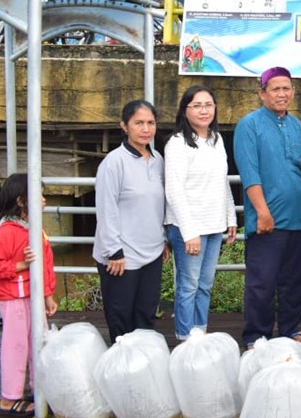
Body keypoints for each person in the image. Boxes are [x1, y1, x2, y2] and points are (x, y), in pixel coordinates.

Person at [234, 67, 301, 348]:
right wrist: (262, 212)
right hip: (266, 219)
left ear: (293, 92)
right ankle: (257, 336)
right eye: (275, 89)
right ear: (262, 93)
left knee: (294, 280)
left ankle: (290, 329)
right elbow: (250, 173)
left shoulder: (295, 125)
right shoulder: (249, 125)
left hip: (297, 218)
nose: (282, 94)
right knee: (262, 283)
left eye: (286, 88)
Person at [164, 85, 237, 340]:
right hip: (189, 228)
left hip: (214, 225)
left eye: (208, 105)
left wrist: (230, 217)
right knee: (188, 286)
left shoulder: (216, 139)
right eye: (196, 106)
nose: (204, 110)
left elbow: (222, 181)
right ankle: (185, 338)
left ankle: (201, 333)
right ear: (185, 111)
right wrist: (189, 233)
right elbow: (174, 191)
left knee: (205, 285)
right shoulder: (177, 143)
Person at [0, 173, 57, 418]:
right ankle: (9, 399)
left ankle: (39, 390)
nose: (44, 200)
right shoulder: (7, 232)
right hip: (14, 299)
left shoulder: (34, 230)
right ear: (22, 201)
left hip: (32, 298)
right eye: (38, 195)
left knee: (39, 343)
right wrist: (20, 265)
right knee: (16, 348)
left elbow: (45, 265)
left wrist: (47, 295)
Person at [93, 99, 168, 344]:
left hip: (152, 252)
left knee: (146, 315)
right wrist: (113, 251)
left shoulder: (157, 160)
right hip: (122, 256)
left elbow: (158, 205)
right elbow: (106, 209)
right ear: (124, 126)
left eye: (150, 123)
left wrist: (163, 240)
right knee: (121, 319)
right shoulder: (114, 162)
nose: (146, 129)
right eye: (139, 123)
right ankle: (122, 364)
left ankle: (144, 361)